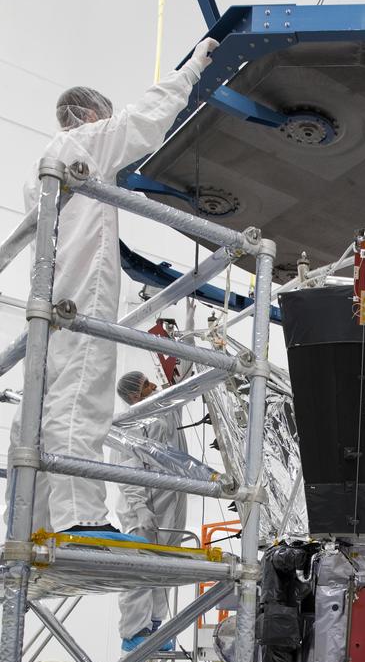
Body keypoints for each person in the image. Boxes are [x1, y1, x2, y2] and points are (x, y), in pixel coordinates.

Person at [8, 38, 218, 537]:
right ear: (90, 115)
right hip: (79, 297)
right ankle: (80, 518)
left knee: (44, 411)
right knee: (83, 396)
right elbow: (142, 120)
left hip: (54, 299)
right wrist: (192, 71)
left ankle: (31, 524)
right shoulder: (84, 144)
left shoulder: (46, 163)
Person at [111, 371, 188, 652]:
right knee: (140, 571)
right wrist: (140, 508)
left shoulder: (164, 409)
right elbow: (126, 469)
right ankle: (133, 632)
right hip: (143, 507)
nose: (153, 385)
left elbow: (183, 382)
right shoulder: (130, 423)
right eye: (146, 384)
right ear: (134, 395)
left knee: (164, 569)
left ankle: (154, 627)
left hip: (170, 503)